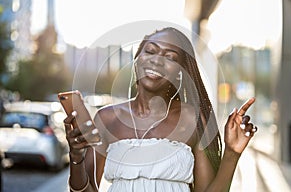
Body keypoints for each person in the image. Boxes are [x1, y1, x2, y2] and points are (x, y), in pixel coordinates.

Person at [63, 27, 258, 192]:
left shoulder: (194, 120)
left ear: (181, 74)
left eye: (170, 57)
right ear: (137, 59)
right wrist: (76, 157)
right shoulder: (107, 118)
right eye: (150, 51)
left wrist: (232, 154)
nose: (157, 60)